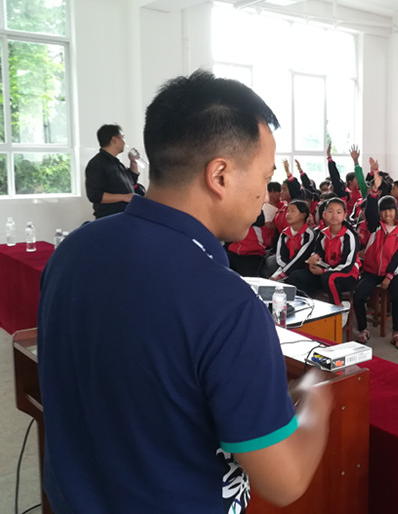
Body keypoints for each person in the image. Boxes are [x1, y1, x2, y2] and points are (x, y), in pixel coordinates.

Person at [37, 70, 332, 513]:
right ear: (220, 175)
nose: (264, 196)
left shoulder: (72, 251)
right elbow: (284, 481)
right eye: (265, 176)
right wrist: (315, 403)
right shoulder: (226, 305)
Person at [353, 170, 398, 348]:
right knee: (358, 295)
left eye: (390, 211)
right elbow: (370, 212)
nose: (387, 214)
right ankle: (363, 329)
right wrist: (373, 191)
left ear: (396, 211)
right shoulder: (375, 227)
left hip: (391, 274)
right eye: (383, 211)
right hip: (371, 272)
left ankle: (396, 333)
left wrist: (389, 276)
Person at [84, 123, 141, 218]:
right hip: (109, 218)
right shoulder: (97, 164)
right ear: (114, 139)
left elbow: (132, 181)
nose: (124, 142)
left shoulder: (116, 163)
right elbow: (94, 195)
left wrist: (133, 161)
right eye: (122, 138)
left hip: (124, 215)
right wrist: (123, 197)